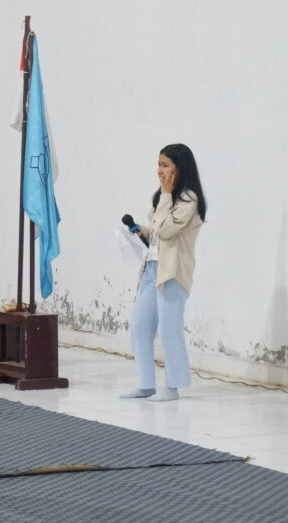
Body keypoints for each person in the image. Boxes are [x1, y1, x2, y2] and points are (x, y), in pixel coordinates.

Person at [121, 144, 206, 402]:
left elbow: (168, 230)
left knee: (170, 331)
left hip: (172, 273)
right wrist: (142, 231)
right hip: (151, 270)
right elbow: (158, 232)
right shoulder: (162, 197)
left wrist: (167, 194)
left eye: (165, 165)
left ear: (180, 168)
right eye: (158, 164)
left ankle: (172, 387)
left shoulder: (189, 199)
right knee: (139, 328)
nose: (160, 170)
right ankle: (146, 385)